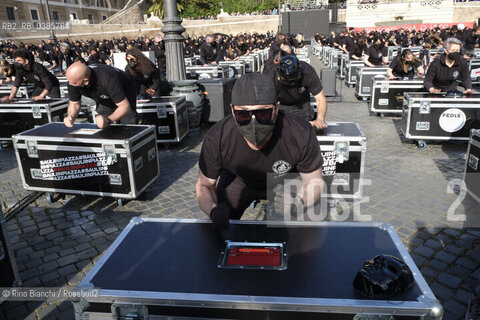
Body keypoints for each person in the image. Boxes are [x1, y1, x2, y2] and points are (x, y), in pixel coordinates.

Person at [195, 73, 324, 228]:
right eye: (243, 114)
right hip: (240, 180)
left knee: (305, 231)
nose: (253, 122)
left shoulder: (299, 132)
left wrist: (299, 201)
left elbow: (314, 181)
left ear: (276, 108)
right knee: (220, 230)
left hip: (286, 180)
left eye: (263, 113)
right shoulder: (218, 137)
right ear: (232, 111)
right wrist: (213, 211)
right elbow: (204, 185)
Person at [64, 61, 138, 129]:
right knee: (103, 124)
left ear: (86, 81)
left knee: (127, 124)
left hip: (125, 92)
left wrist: (108, 120)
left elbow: (124, 106)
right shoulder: (73, 81)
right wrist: (71, 116)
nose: (71, 85)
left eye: (74, 83)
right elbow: (74, 103)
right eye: (69, 82)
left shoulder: (107, 78)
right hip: (103, 97)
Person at [263, 55, 328, 129]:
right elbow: (264, 102)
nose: (291, 83)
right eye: (287, 80)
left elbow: (320, 98)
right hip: (280, 104)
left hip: (301, 105)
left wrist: (320, 119)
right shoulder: (270, 75)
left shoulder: (308, 71)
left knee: (302, 131)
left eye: (293, 80)